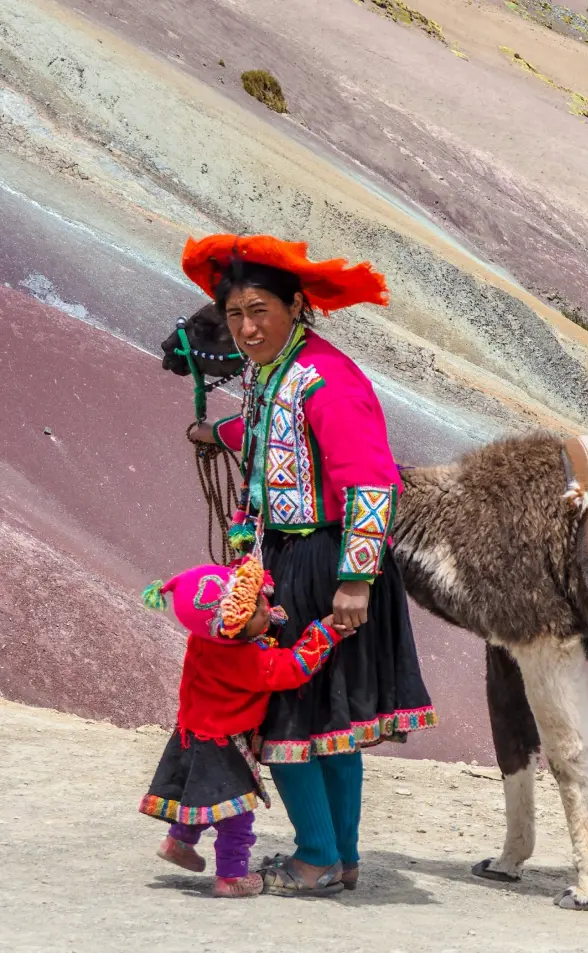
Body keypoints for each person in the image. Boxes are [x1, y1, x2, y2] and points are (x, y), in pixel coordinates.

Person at [181, 234, 437, 897]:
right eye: (236, 315)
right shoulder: (276, 370)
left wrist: (356, 578)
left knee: (284, 716)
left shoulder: (326, 377)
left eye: (260, 310)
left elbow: (371, 482)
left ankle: (316, 856)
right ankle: (340, 857)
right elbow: (273, 434)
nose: (246, 327)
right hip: (293, 553)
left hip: (327, 560)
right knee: (329, 722)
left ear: (295, 304)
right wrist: (219, 433)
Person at [139, 556, 350, 897]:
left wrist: (266, 618)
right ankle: (231, 878)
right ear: (231, 630)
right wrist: (323, 634)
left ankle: (178, 842)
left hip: (193, 734)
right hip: (225, 746)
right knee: (236, 815)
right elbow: (292, 668)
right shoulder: (245, 658)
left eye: (259, 602)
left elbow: (258, 628)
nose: (265, 612)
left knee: (202, 796)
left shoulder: (206, 640)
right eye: (254, 614)